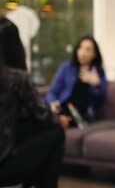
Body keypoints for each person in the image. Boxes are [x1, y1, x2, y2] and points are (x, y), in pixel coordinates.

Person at [0, 17, 65, 188]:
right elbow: (42, 117)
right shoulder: (17, 78)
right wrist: (57, 118)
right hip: (4, 165)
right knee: (56, 131)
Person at [44, 36, 107, 129]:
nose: (82, 53)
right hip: (63, 107)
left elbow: (100, 100)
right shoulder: (66, 67)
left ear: (95, 54)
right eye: (80, 48)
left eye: (88, 49)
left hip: (83, 114)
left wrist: (96, 84)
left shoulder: (97, 72)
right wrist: (52, 103)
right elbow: (52, 91)